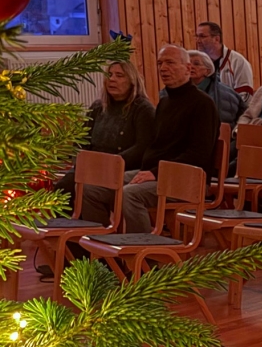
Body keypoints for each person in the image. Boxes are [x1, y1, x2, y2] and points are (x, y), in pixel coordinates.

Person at [83, 45, 218, 234]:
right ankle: (101, 250)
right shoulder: (165, 102)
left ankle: (143, 254)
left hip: (186, 179)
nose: (163, 68)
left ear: (188, 68)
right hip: (158, 173)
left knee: (130, 195)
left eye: (170, 63)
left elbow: (198, 154)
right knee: (93, 188)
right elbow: (156, 147)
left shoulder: (202, 104)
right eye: (160, 63)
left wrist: (155, 173)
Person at [54, 60, 155, 209]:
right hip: (91, 166)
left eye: (119, 75)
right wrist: (80, 162)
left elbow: (142, 147)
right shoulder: (97, 107)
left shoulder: (142, 109)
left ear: (132, 81)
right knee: (63, 187)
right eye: (109, 74)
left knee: (87, 188)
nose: (112, 79)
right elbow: (81, 140)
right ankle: (69, 228)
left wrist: (109, 164)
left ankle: (97, 227)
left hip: (121, 167)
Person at [186, 50, 245, 131]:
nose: (191, 67)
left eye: (196, 64)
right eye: (188, 64)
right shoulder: (174, 90)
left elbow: (226, 125)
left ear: (207, 71)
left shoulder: (224, 93)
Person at [195, 21, 254, 100]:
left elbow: (245, 96)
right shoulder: (196, 61)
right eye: (197, 36)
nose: (198, 40)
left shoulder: (238, 62)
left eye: (202, 36)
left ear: (217, 39)